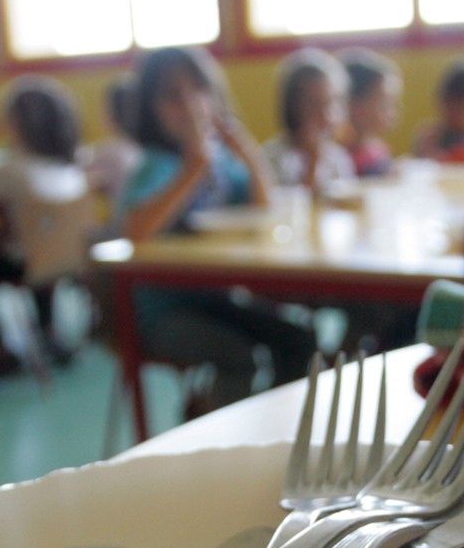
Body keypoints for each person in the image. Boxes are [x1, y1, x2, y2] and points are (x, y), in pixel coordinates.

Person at [119, 45, 317, 407]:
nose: (190, 104)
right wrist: (193, 167)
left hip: (215, 296)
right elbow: (137, 232)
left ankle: (274, 428)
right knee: (238, 357)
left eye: (198, 90)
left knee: (298, 339)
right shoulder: (156, 165)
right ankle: (214, 436)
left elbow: (264, 208)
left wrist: (249, 154)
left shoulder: (223, 163)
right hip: (164, 311)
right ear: (150, 108)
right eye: (172, 95)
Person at [0, 76, 90, 368]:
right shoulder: (73, 164)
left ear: (14, 123)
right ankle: (47, 329)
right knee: (28, 250)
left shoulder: (10, 168)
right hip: (65, 256)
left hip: (29, 260)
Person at [264, 48, 355, 191]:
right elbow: (297, 208)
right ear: (292, 107)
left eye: (330, 104)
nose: (324, 115)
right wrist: (313, 161)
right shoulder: (274, 159)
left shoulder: (337, 157)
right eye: (313, 105)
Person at [79, 77, 143, 206]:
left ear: (111, 114)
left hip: (128, 223)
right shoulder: (146, 149)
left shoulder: (110, 153)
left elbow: (78, 185)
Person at [339, 48, 401, 178]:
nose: (393, 111)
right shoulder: (339, 156)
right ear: (354, 105)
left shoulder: (378, 150)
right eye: (385, 104)